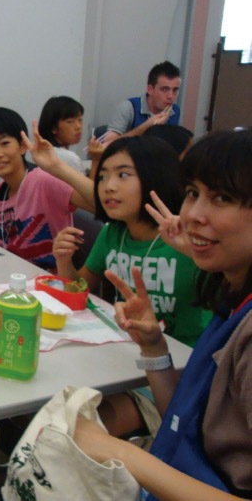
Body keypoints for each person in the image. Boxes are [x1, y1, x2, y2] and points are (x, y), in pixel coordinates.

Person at [74, 129, 252, 500]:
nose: (193, 215)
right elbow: (181, 420)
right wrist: (153, 345)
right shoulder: (233, 298)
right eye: (192, 193)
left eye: (222, 198)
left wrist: (126, 456)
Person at [42, 135, 210, 348]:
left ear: (156, 176)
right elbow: (78, 291)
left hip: (184, 354)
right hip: (127, 345)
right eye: (102, 177)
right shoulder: (113, 233)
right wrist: (64, 260)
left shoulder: (186, 239)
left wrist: (194, 251)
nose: (108, 186)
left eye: (123, 175)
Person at [0, 107, 94, 273]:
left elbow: (101, 204)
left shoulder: (42, 181)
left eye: (5, 143)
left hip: (47, 282)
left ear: (22, 146)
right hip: (1, 279)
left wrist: (57, 166)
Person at [104, 61, 182, 139]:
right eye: (164, 89)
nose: (170, 96)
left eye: (175, 90)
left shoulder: (175, 111)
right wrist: (145, 127)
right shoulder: (128, 108)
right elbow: (107, 143)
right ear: (150, 89)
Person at [36, 95, 86, 174]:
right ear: (54, 128)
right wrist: (96, 159)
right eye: (70, 122)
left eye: (80, 120)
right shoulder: (70, 158)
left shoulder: (45, 152)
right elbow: (87, 183)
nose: (78, 126)